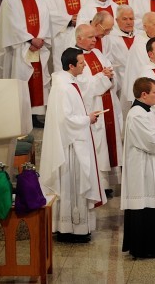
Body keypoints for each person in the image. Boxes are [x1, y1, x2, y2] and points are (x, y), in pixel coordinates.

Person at [39, 48, 105, 243]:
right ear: (71, 66)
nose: (85, 65)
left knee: (75, 185)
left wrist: (87, 117)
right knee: (72, 185)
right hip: (70, 146)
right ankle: (71, 229)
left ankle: (74, 228)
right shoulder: (63, 87)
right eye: (82, 63)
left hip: (76, 140)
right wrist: (88, 119)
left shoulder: (69, 83)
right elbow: (65, 119)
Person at [121, 77, 155, 259]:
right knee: (144, 208)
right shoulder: (136, 114)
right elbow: (150, 142)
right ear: (144, 94)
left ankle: (154, 245)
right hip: (142, 170)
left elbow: (152, 133)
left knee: (153, 208)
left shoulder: (146, 112)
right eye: (154, 92)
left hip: (150, 167)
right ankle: (143, 247)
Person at [0, 0, 52, 125]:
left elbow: (45, 19)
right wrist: (30, 39)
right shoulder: (10, 0)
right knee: (22, 80)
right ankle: (21, 116)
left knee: (38, 80)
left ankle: (35, 115)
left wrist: (40, 38)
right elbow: (12, 25)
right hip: (20, 47)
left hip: (38, 46)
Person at [74, 23, 123, 197]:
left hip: (108, 102)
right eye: (90, 37)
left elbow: (110, 72)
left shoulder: (97, 53)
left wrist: (109, 75)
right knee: (98, 145)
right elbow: (83, 86)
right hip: (93, 107)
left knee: (107, 144)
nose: (94, 40)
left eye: (95, 37)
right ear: (79, 38)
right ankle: (98, 184)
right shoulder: (75, 57)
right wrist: (103, 76)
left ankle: (107, 183)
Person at [45, 0, 90, 72]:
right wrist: (69, 19)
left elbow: (89, 7)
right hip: (62, 36)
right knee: (63, 68)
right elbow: (49, 13)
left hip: (81, 34)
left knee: (84, 67)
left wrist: (80, 19)